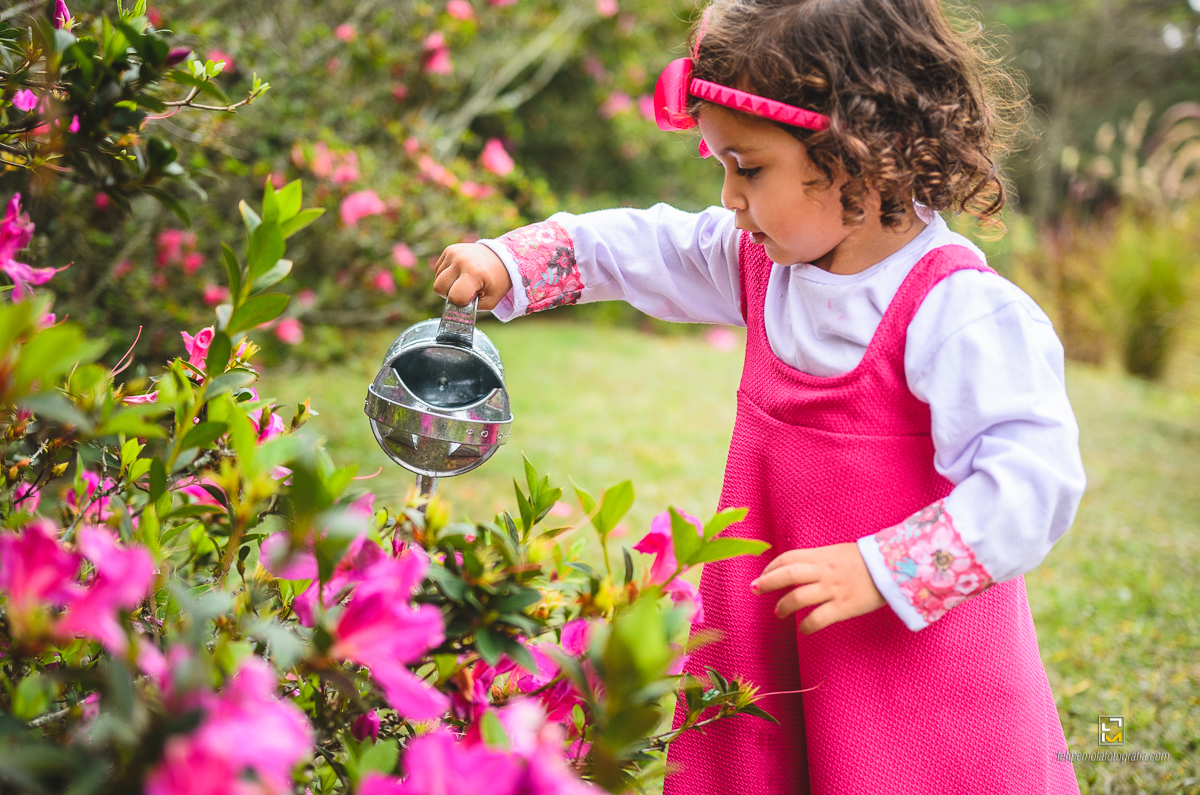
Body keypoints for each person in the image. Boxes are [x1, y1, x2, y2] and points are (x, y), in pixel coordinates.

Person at [433, 0, 1086, 791]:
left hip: (912, 667)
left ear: (860, 154)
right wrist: (513, 259)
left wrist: (885, 568)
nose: (729, 197)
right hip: (774, 638)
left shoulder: (959, 312)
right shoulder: (763, 263)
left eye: (747, 168)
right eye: (721, 166)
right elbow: (646, 246)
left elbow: (1032, 483)